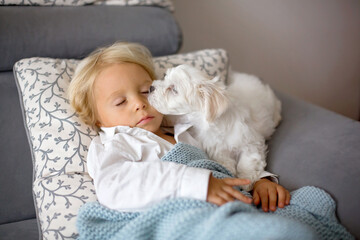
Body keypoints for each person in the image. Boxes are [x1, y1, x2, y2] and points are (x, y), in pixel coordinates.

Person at [68, 42, 291, 213]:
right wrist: (196, 184)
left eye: (146, 91)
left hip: (229, 204)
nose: (140, 103)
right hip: (180, 213)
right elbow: (114, 187)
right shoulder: (116, 144)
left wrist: (259, 181)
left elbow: (230, 151)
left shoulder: (186, 127)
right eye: (120, 102)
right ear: (97, 120)